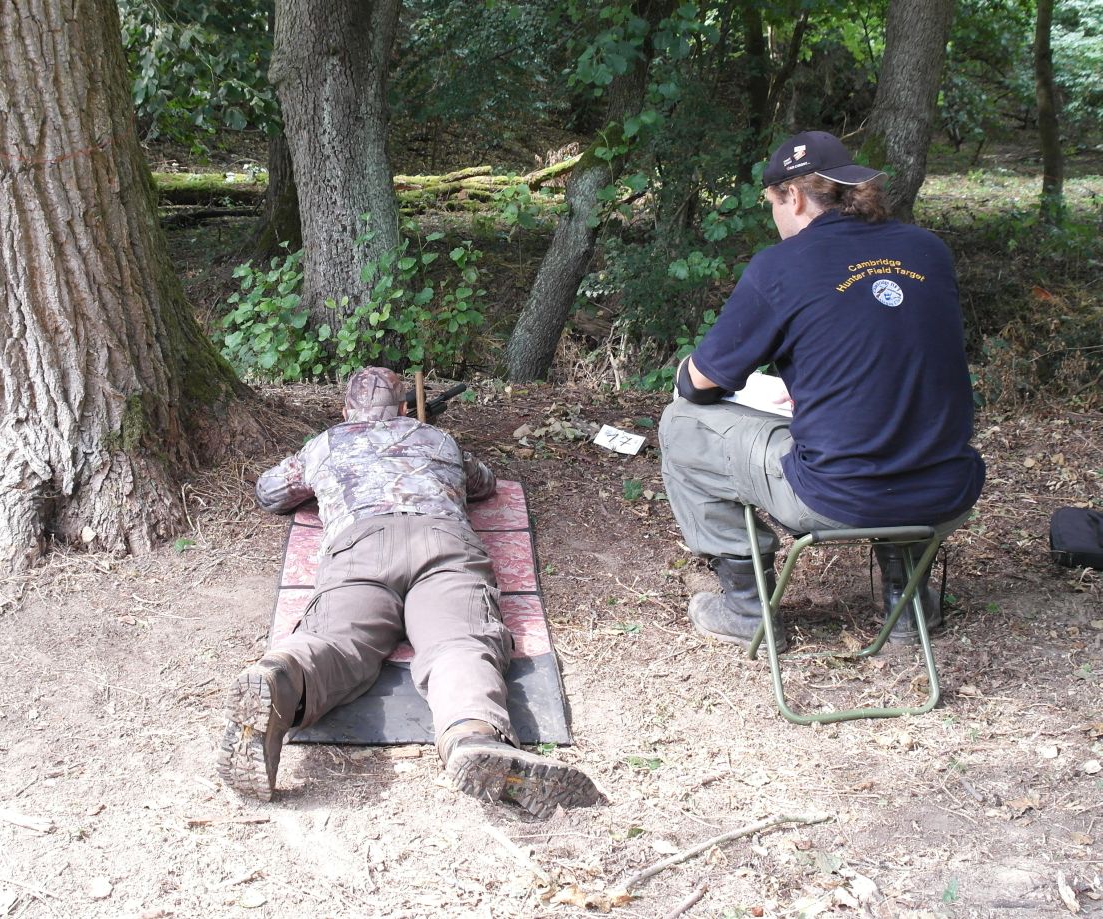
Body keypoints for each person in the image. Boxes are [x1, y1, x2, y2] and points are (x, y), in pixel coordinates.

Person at [217, 367, 601, 818]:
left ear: (345, 410)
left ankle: (280, 679)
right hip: (443, 542)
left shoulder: (325, 443)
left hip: (359, 545)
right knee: (459, 640)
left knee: (334, 639)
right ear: (403, 407)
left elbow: (270, 493)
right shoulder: (437, 439)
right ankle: (473, 735)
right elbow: (485, 482)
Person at [660, 130, 985, 649]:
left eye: (772, 203)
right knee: (897, 441)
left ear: (792, 196)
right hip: (947, 492)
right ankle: (909, 607)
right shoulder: (928, 250)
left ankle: (747, 609)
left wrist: (687, 373)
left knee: (681, 424)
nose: (775, 216)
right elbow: (894, 350)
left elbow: (700, 385)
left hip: (836, 497)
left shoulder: (782, 265)